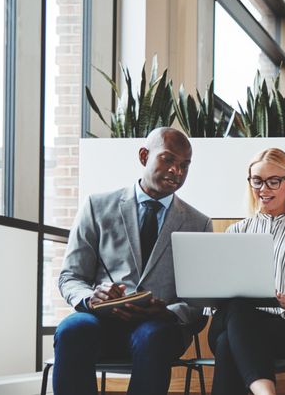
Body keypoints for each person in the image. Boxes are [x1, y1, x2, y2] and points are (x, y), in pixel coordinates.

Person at [55, 127, 213, 395]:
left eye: (185, 165)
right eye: (168, 159)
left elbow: (199, 304)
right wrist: (91, 298)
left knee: (154, 337)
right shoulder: (96, 206)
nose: (177, 171)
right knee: (72, 329)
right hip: (101, 320)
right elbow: (70, 277)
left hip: (159, 328)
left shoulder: (199, 223)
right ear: (144, 156)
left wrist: (166, 311)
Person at [208, 148, 285, 395]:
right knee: (238, 306)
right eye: (257, 181)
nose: (264, 189)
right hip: (233, 321)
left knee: (225, 344)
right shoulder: (236, 232)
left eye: (273, 181)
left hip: (282, 329)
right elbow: (215, 299)